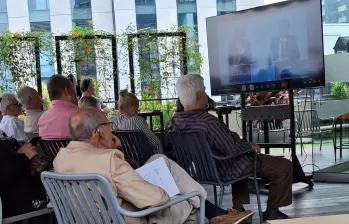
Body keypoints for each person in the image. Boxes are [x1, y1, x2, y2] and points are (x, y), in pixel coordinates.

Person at [53, 108, 253, 224]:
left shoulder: (60, 159)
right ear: (98, 132)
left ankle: (214, 213)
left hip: (95, 218)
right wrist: (166, 190)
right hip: (133, 220)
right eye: (108, 126)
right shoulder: (108, 161)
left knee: (160, 160)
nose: (111, 129)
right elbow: (156, 199)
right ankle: (215, 214)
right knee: (188, 204)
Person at [166, 74, 293, 221]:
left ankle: (238, 209)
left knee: (241, 160)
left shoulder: (172, 124)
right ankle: (272, 210)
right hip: (225, 167)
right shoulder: (208, 122)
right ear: (200, 95)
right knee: (283, 166)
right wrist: (249, 146)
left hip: (202, 172)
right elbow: (231, 150)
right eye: (205, 91)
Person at [0, 142, 47, 218]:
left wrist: (19, 154)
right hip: (24, 214)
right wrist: (24, 156)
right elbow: (5, 174)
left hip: (30, 206)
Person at [110, 89, 163, 154]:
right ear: (133, 107)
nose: (138, 111)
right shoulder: (138, 121)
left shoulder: (112, 121)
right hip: (142, 159)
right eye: (137, 108)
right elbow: (154, 142)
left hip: (122, 159)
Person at [38, 75, 79, 139]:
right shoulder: (81, 115)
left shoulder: (42, 119)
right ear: (68, 91)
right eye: (74, 91)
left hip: (50, 149)